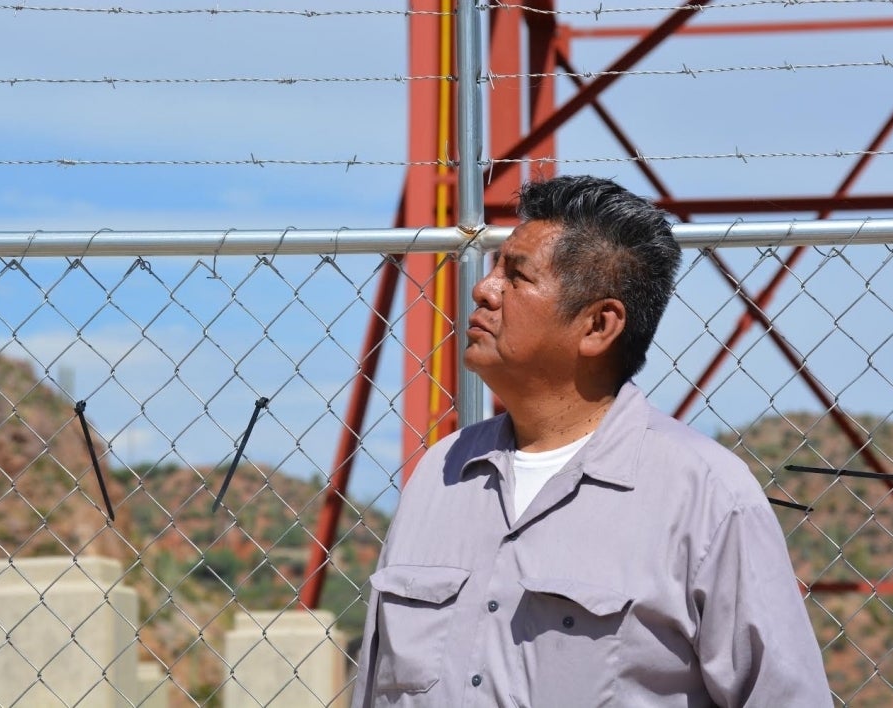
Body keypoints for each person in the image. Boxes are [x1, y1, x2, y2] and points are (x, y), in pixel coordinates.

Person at [351, 175, 831, 707]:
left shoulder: (706, 497)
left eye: (516, 274)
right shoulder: (439, 475)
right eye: (494, 269)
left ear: (599, 325)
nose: (484, 289)